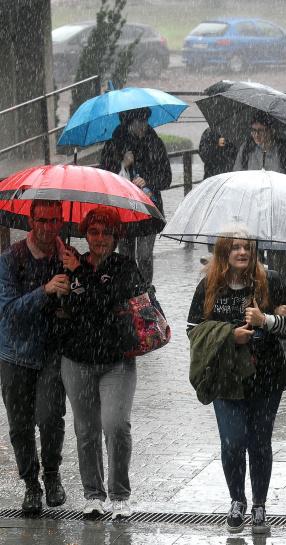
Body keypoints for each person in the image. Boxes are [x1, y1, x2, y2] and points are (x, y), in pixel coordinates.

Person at [187, 233, 286, 533]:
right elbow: (193, 329)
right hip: (226, 378)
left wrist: (268, 320)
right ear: (223, 253)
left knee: (260, 444)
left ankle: (259, 504)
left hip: (266, 377)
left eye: (247, 247)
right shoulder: (210, 286)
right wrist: (229, 335)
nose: (242, 252)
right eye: (235, 247)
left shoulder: (271, 281)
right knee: (233, 441)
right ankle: (237, 499)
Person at [59, 207, 145, 519]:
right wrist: (65, 285)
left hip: (116, 360)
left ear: (116, 236)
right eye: (93, 232)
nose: (99, 239)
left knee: (116, 425)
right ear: (85, 234)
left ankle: (119, 495)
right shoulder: (71, 263)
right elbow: (67, 309)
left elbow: (106, 303)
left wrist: (80, 275)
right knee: (86, 430)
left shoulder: (125, 267)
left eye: (106, 233)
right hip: (76, 359)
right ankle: (93, 494)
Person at [0, 199, 69, 514]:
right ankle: (31, 484)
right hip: (14, 354)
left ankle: (52, 474)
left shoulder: (67, 257)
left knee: (50, 416)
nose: (48, 227)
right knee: (20, 426)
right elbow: (9, 311)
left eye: (54, 220)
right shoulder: (10, 259)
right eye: (42, 220)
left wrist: (73, 286)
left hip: (52, 353)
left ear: (61, 222)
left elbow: (79, 306)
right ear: (31, 221)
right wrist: (45, 290)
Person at [100, 107, 171, 287]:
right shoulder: (113, 145)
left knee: (145, 256)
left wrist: (148, 181)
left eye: (145, 121)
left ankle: (146, 292)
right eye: (138, 122)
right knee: (126, 256)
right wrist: (123, 164)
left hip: (149, 208)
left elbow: (166, 178)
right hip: (123, 209)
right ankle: (128, 290)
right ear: (128, 123)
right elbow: (104, 178)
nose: (143, 126)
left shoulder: (155, 143)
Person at [233, 113, 286, 286]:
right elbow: (237, 178)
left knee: (279, 265)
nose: (256, 135)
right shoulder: (247, 150)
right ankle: (254, 295)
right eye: (253, 130)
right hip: (253, 213)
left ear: (271, 130)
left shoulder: (284, 151)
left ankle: (279, 295)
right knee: (250, 262)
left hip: (280, 214)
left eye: (261, 130)